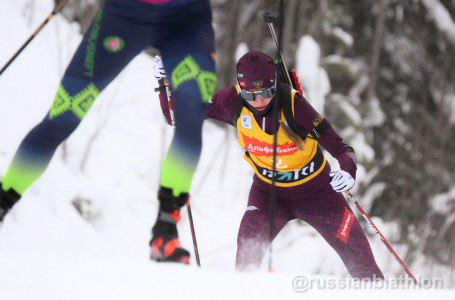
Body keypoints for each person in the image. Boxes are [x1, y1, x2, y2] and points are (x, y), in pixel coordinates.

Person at [0, 0, 216, 264]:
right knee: (62, 118)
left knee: (191, 116)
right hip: (125, 16)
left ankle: (165, 230)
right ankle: (3, 201)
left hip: (187, 21)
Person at [155, 50, 384, 278]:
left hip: (318, 194)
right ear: (240, 89)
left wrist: (348, 171)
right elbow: (176, 117)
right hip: (268, 194)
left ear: (275, 85)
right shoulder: (231, 101)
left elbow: (342, 148)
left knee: (363, 267)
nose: (260, 101)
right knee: (247, 255)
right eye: (251, 95)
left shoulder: (295, 105)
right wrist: (164, 83)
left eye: (266, 92)